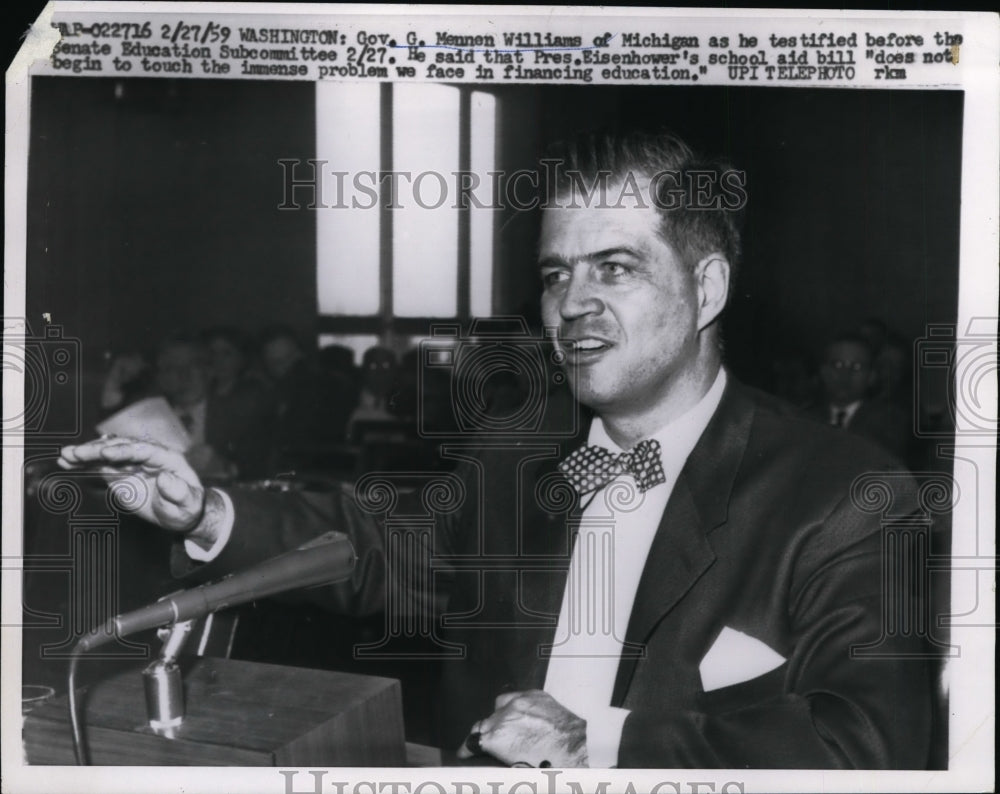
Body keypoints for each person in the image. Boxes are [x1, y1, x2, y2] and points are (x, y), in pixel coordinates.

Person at [59, 130, 933, 769]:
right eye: (557, 275)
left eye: (616, 268)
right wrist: (208, 509)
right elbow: (380, 548)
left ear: (706, 288)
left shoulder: (849, 492)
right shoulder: (520, 455)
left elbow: (867, 748)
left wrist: (603, 740)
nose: (573, 305)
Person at [809, 332, 912, 461]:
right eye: (837, 365)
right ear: (824, 372)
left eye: (857, 367)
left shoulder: (889, 421)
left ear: (871, 377)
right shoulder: (805, 419)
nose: (845, 374)